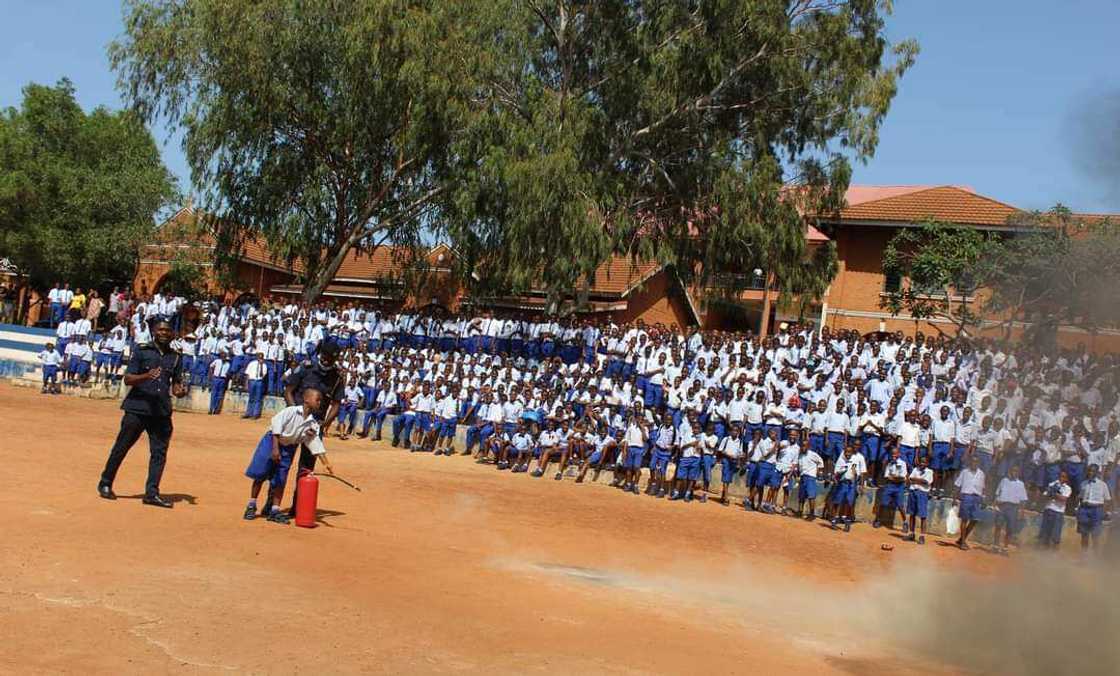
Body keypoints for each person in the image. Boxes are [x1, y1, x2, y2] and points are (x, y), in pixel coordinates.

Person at [97, 318, 188, 507]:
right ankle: (105, 482)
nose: (164, 333)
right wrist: (146, 376)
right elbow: (128, 379)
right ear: (154, 331)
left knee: (159, 453)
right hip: (137, 408)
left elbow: (176, 383)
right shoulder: (142, 350)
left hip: (161, 411)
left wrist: (180, 391)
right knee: (122, 447)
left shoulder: (176, 357)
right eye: (161, 330)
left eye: (168, 331)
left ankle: (151, 493)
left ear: (172, 334)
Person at [243, 389, 335, 524]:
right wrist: (275, 449)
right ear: (307, 399)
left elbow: (315, 443)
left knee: (281, 478)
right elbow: (276, 426)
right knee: (260, 474)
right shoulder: (290, 411)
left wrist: (326, 463)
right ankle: (251, 505)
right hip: (272, 442)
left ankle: (274, 510)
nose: (320, 403)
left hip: (289, 448)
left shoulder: (312, 423)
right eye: (318, 399)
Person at [282, 340, 343, 515]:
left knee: (306, 468)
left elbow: (336, 404)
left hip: (314, 427)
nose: (327, 362)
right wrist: (295, 412)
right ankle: (273, 504)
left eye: (331, 360)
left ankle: (297, 507)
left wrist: (325, 423)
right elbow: (289, 391)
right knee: (282, 464)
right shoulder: (306, 367)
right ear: (321, 355)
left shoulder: (337, 377)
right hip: (294, 422)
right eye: (325, 358)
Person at [992, 464, 1029, 555]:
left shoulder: (1020, 484)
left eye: (1016, 471)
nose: (1014, 473)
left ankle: (1005, 548)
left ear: (1018, 473)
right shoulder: (1004, 481)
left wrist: (1021, 511)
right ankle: (996, 546)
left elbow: (1023, 499)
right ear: (1010, 471)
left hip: (1013, 508)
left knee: (1010, 529)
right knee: (998, 526)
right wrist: (995, 504)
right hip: (1002, 506)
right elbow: (997, 493)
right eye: (1013, 471)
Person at [953, 452, 986, 550]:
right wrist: (954, 499)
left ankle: (962, 539)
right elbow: (957, 485)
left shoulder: (982, 474)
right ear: (970, 462)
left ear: (978, 463)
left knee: (975, 520)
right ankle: (963, 542)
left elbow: (983, 488)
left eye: (976, 462)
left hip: (977, 498)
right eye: (972, 461)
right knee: (964, 519)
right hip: (966, 497)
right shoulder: (964, 472)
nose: (974, 463)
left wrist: (983, 498)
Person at [1076, 464, 1112, 553]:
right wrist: (1079, 508)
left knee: (1095, 535)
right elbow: (1080, 497)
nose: (1090, 472)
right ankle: (1084, 556)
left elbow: (1107, 499)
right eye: (1089, 471)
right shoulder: (1083, 483)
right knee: (1084, 534)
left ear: (1097, 472)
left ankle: (1095, 557)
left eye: (1092, 471)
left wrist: (1103, 512)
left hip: (1096, 509)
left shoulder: (1102, 485)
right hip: (1084, 509)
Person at [1038, 470, 1071, 550]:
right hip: (1049, 509)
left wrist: (1054, 493)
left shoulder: (1067, 488)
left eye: (1063, 477)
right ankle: (1043, 552)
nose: (1061, 478)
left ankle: (1053, 555)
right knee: (1045, 533)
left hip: (1058, 512)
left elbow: (1064, 499)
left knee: (1056, 536)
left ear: (1066, 479)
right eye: (1060, 476)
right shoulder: (1052, 484)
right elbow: (1044, 496)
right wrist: (1051, 493)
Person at [905, 454, 933, 544]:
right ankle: (912, 533)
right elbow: (910, 479)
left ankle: (922, 536)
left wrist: (915, 480)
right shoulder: (915, 469)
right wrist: (920, 480)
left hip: (922, 493)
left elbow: (926, 482)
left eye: (924, 462)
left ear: (927, 463)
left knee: (922, 515)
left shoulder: (929, 472)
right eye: (921, 461)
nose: (922, 463)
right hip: (913, 491)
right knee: (912, 514)